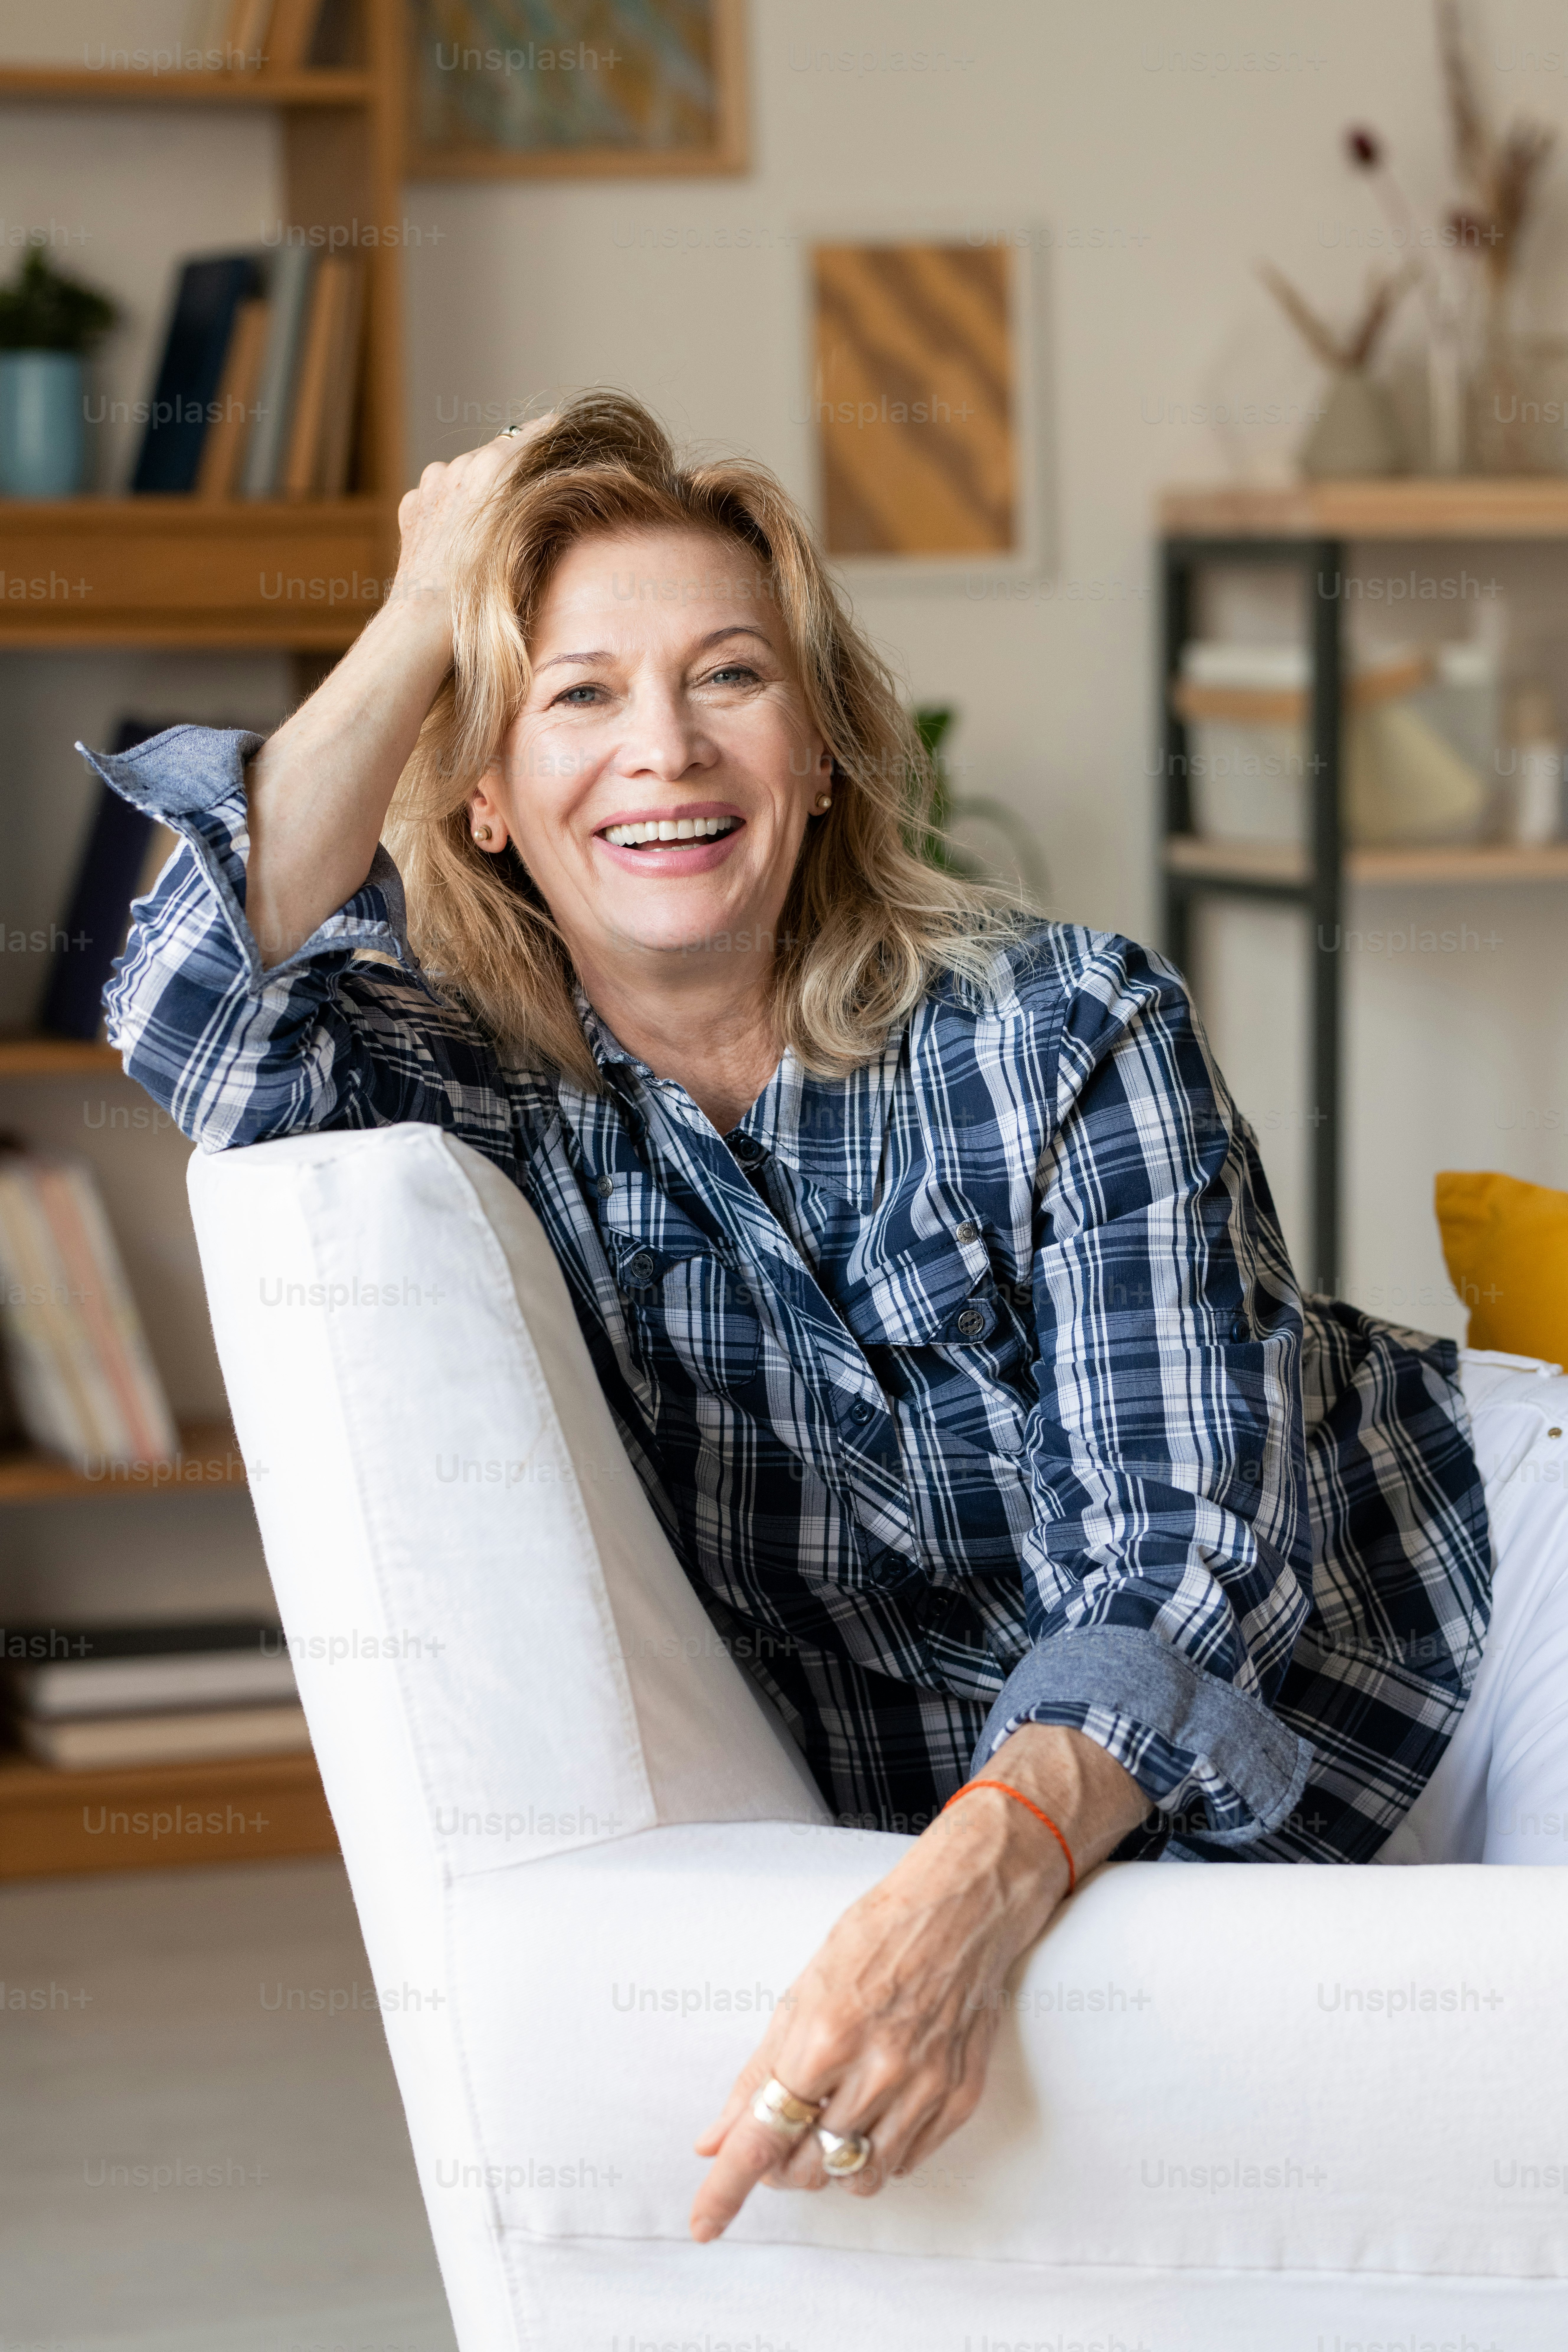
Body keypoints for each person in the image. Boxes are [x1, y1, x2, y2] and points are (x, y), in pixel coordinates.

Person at [91, 393, 1568, 2245]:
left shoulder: (1065, 1027)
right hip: (1100, 1814)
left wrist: (976, 1874)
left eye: (728, 676)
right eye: (576, 695)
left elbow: (1182, 1543)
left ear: (817, 756)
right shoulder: (467, 1100)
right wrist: (422, 603)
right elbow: (184, 1012)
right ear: (479, 786)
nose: (664, 750)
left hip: (1456, 1610)